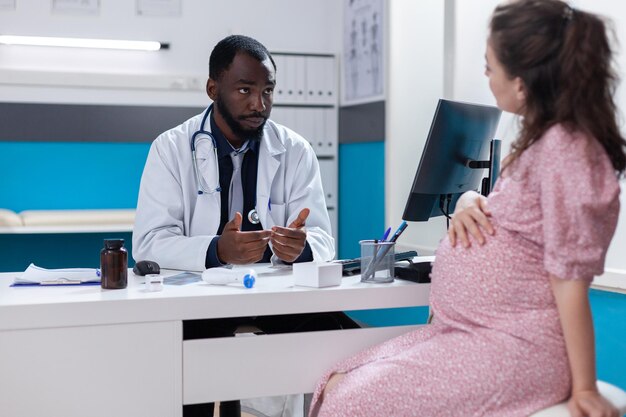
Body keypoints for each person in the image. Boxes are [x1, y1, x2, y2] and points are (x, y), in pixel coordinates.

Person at [309, 1, 625, 416]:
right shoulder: (546, 143)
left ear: (523, 80)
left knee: (347, 401)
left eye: (490, 67)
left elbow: (570, 281)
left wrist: (583, 388)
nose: (485, 76)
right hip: (475, 334)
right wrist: (468, 199)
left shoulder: (567, 152)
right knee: (337, 380)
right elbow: (519, 220)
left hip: (513, 348)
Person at [132, 35, 358, 417]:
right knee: (191, 366)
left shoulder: (295, 149)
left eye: (268, 90)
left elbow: (321, 236)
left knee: (344, 345)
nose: (260, 104)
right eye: (244, 89)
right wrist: (217, 251)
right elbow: (150, 243)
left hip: (275, 297)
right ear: (212, 88)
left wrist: (299, 248)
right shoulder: (170, 149)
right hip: (199, 303)